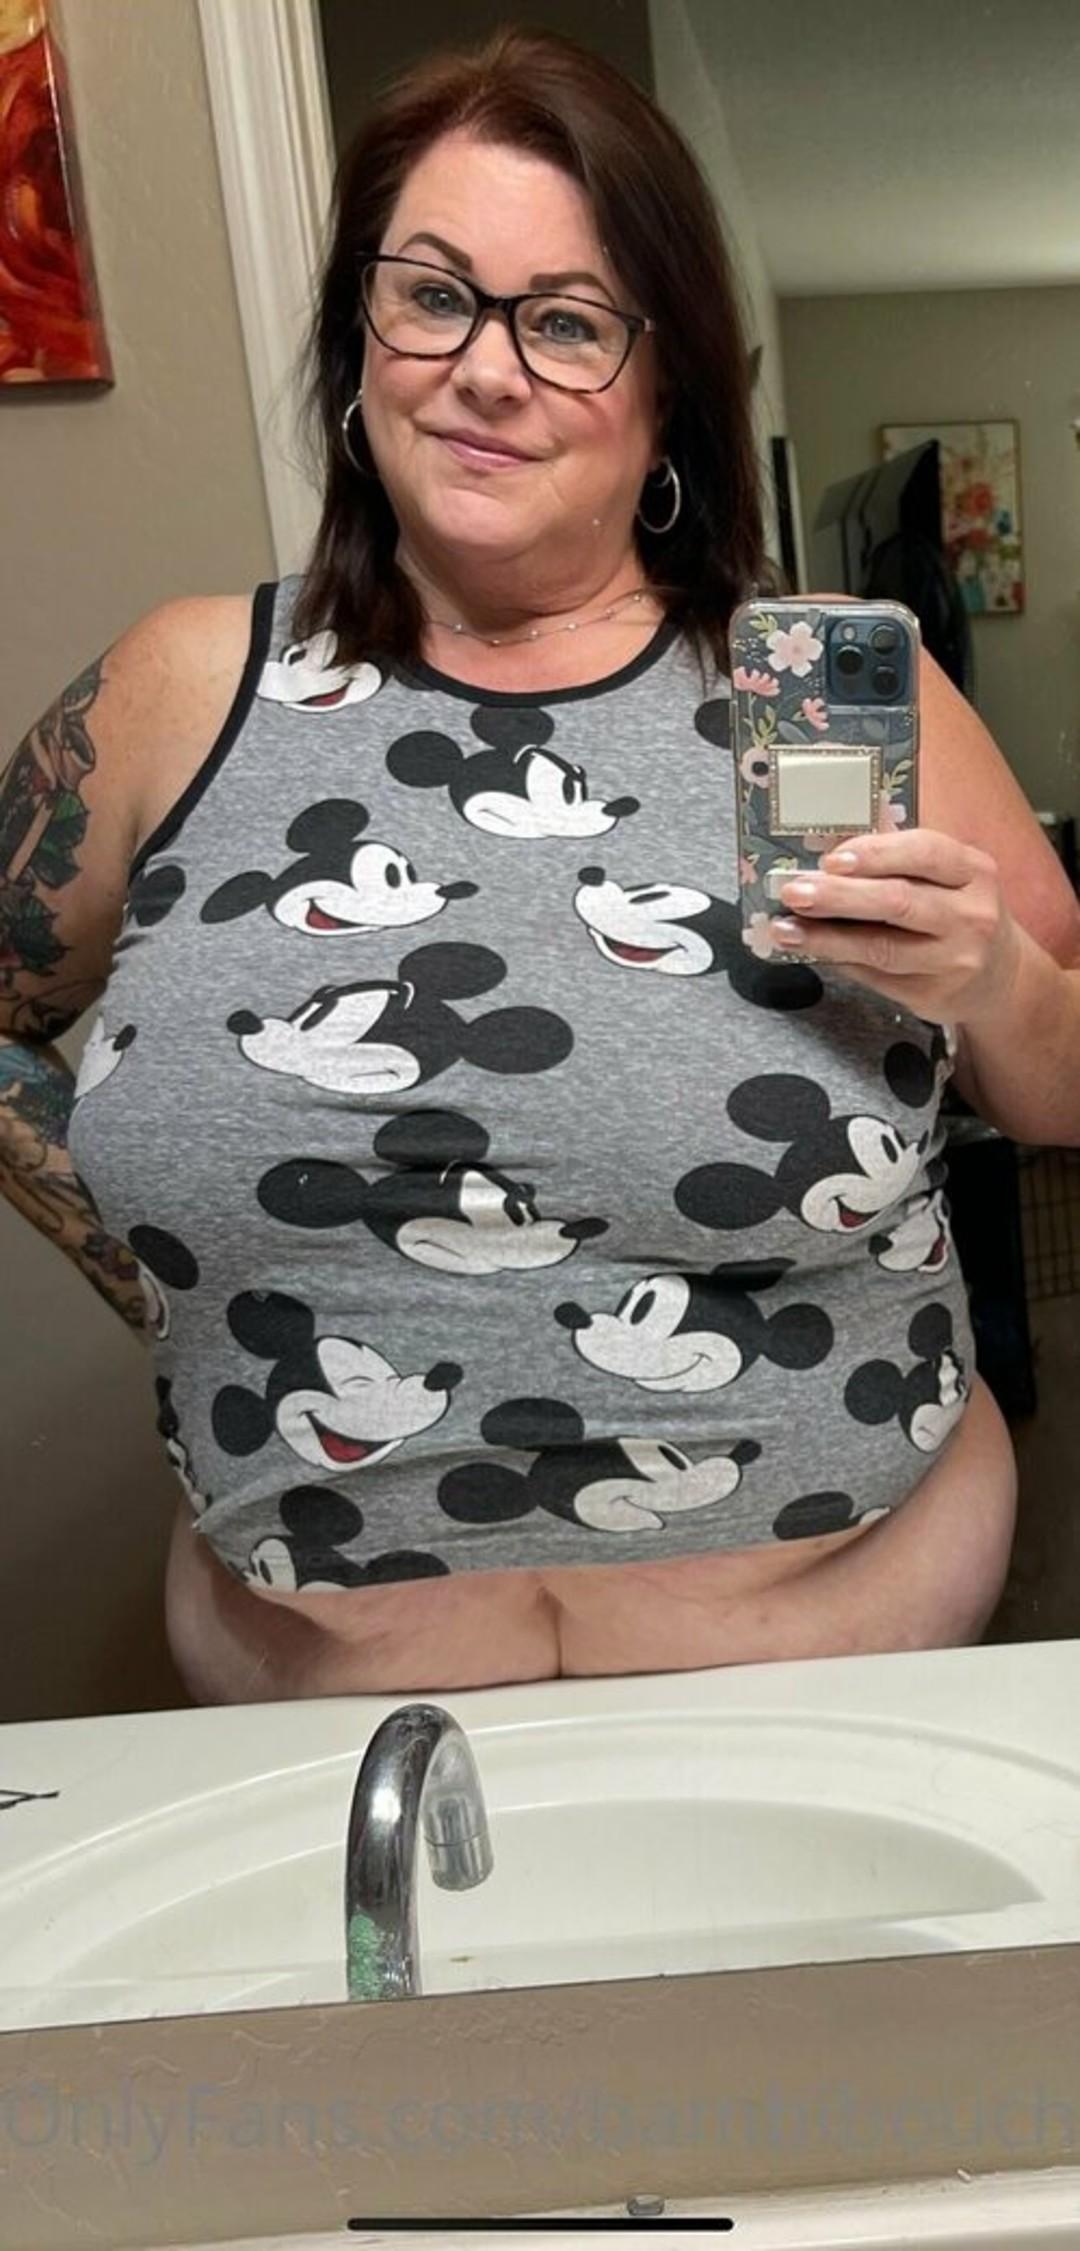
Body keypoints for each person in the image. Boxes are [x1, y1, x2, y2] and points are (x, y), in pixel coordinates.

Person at [2, 31, 1078, 1707]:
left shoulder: (821, 686)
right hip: (334, 1711)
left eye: (567, 322)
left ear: (667, 392)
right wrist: (161, 1259)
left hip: (836, 1676)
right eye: (434, 297)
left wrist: (994, 983)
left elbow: (1066, 1085)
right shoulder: (180, 689)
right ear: (358, 342)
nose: (487, 370)